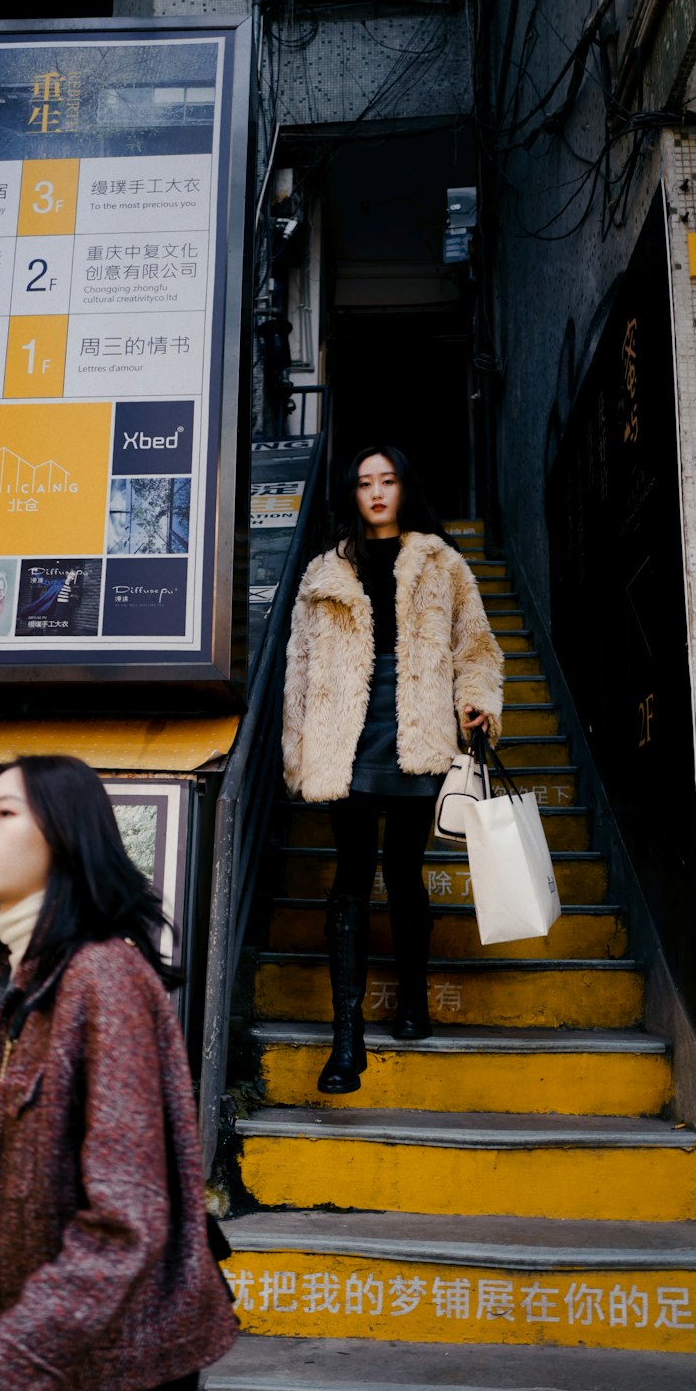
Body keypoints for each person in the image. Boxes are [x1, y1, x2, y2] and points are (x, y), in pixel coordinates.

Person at [0, 754, 237, 1391]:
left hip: (123, 1361)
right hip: (53, 1342)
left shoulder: (102, 979)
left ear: (65, 837)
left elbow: (127, 1220)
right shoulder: (15, 982)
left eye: (6, 814)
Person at [282, 446, 504, 1094]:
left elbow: (478, 648)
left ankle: (413, 999)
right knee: (350, 877)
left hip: (417, 728)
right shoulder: (326, 570)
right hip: (343, 734)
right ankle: (345, 1041)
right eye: (364, 483)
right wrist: (297, 749)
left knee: (405, 870)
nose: (376, 492)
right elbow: (297, 666)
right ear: (351, 493)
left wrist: (477, 702)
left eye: (387, 480)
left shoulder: (441, 562)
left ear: (404, 487)